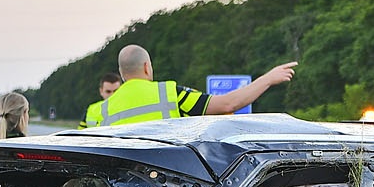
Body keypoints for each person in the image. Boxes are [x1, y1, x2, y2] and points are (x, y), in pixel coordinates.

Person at [95, 44, 298, 125]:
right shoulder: (169, 94)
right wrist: (269, 78)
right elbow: (228, 104)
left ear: (121, 74)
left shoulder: (103, 111)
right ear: (147, 67)